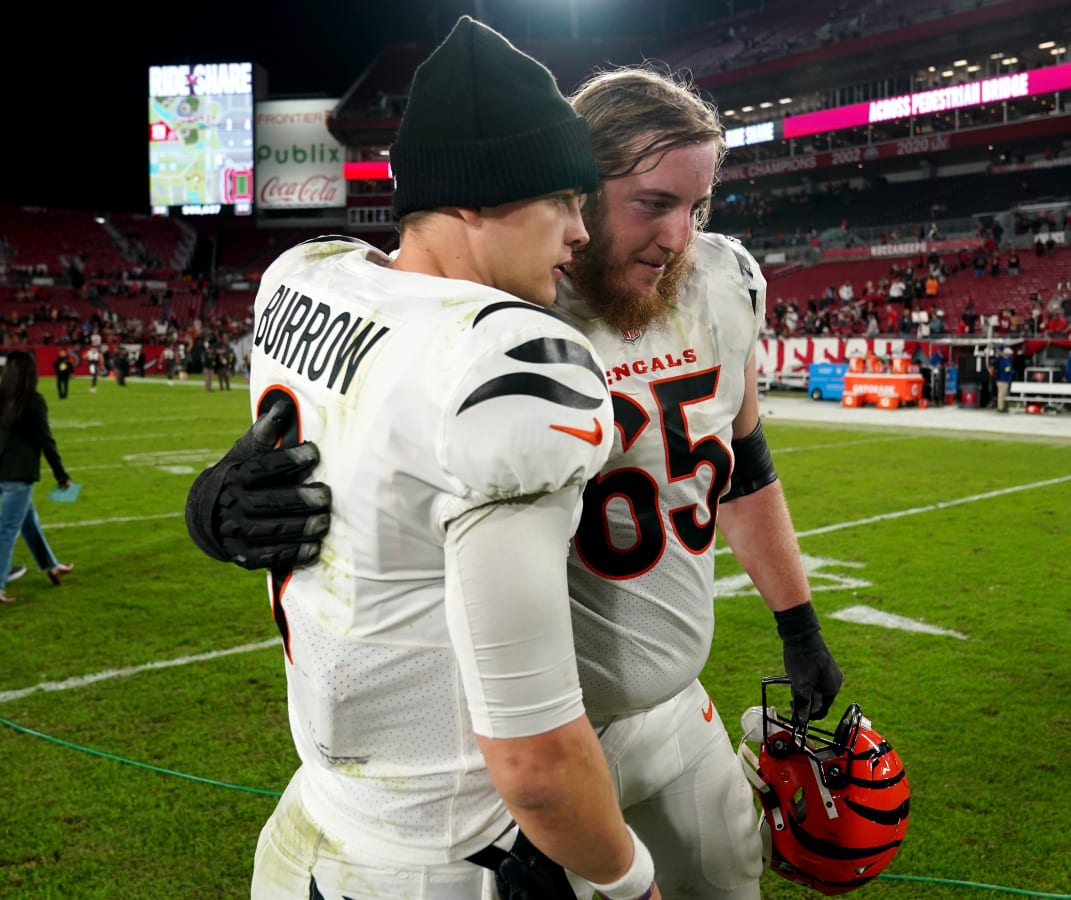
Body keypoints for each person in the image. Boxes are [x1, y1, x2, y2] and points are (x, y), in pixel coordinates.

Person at [189, 59, 843, 900]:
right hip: (532, 732)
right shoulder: (495, 312)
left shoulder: (720, 285)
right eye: (651, 204)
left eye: (698, 205)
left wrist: (798, 623)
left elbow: (744, 470)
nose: (681, 235)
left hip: (671, 706)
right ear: (570, 187)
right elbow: (360, 415)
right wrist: (214, 502)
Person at [188, 17, 660, 900]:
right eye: (561, 200)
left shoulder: (305, 276)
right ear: (474, 199)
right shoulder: (507, 363)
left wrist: (205, 506)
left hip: (311, 820)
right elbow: (537, 757)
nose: (580, 233)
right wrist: (631, 883)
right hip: (443, 853)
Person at [0, 351, 74, 604]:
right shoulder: (32, 400)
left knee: (27, 522)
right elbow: (46, 441)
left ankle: (51, 566)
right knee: (8, 529)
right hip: (18, 475)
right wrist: (61, 475)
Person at [994, 346, 1015, 413]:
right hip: (1002, 379)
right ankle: (1000, 408)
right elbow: (1006, 368)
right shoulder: (1003, 360)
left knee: (1005, 394)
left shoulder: (1005, 359)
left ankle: (1004, 407)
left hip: (1005, 379)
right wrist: (1011, 371)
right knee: (1001, 394)